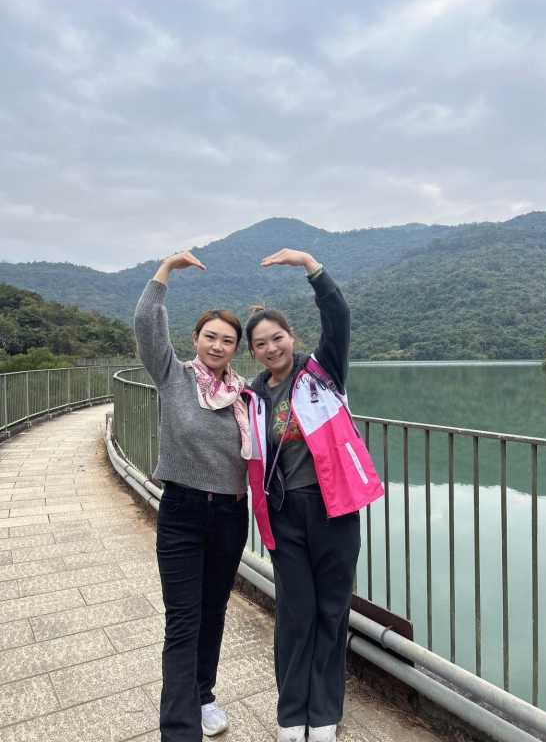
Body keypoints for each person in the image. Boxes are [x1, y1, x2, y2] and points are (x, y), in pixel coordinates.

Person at [243, 249, 384, 742]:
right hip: (284, 514)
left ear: (292, 336)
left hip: (334, 509)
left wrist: (310, 266)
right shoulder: (253, 396)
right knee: (294, 613)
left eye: (277, 337)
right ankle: (291, 714)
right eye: (260, 344)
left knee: (331, 610)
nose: (271, 348)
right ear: (253, 352)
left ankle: (323, 713)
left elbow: (338, 317)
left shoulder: (323, 370)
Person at [134, 250, 250, 742]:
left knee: (213, 612)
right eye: (210, 337)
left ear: (237, 348)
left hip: (230, 514)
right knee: (182, 621)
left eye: (227, 340)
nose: (218, 345)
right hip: (181, 510)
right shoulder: (173, 376)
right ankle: (179, 730)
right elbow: (146, 324)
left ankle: (202, 696)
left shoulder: (247, 395)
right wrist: (165, 270)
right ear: (195, 339)